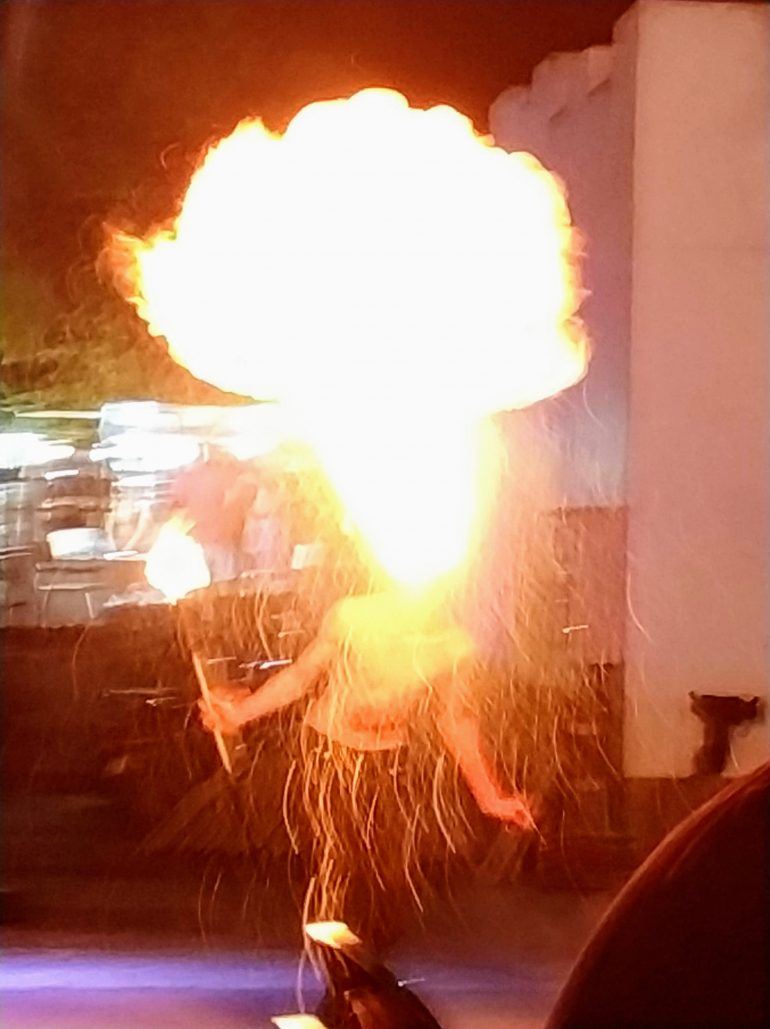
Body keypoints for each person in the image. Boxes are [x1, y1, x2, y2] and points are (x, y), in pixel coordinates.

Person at [199, 586, 534, 946]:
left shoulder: (452, 645)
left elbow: (456, 720)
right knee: (345, 870)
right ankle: (341, 975)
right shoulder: (353, 617)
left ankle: (365, 968)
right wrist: (240, 714)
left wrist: (490, 797)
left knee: (387, 880)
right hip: (330, 752)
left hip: (389, 762)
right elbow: (300, 677)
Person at [169, 444, 253, 582]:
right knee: (224, 586)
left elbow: (177, 512)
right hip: (222, 541)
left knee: (197, 590)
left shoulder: (185, 477)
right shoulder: (228, 474)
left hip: (197, 541)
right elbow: (233, 501)